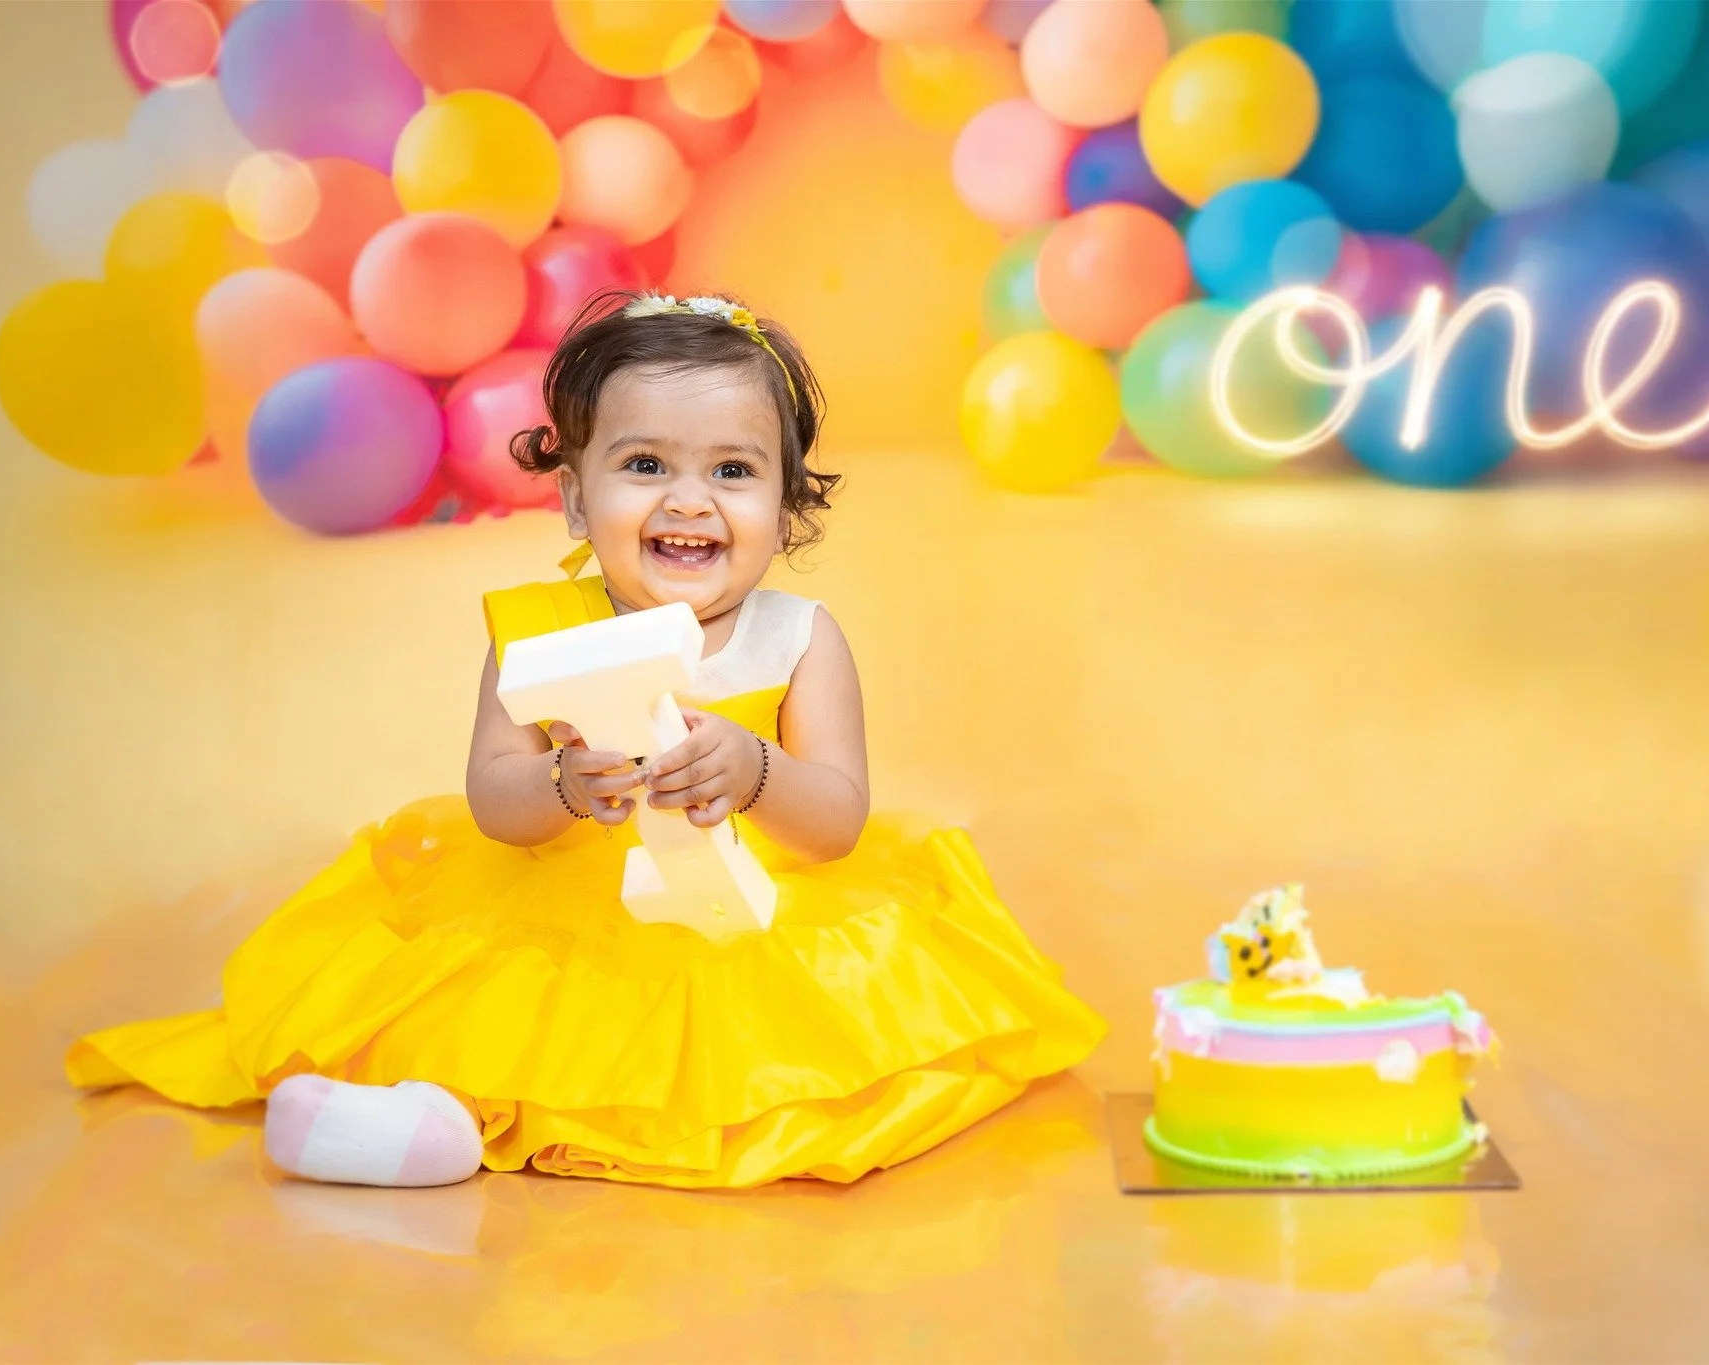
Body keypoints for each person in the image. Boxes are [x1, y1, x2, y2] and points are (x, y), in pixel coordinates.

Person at [66, 291, 1106, 1189]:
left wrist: (756, 770)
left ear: (787, 503)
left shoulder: (799, 639)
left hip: (749, 904)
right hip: (566, 899)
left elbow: (837, 821)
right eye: (645, 463)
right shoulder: (543, 635)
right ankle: (428, 1121)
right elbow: (493, 796)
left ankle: (677, 1115)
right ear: (575, 496)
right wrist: (562, 783)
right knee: (498, 1009)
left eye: (734, 470)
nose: (689, 500)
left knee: (771, 1035)